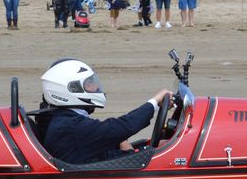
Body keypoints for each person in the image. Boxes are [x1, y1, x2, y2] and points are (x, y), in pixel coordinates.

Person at [38, 59, 170, 165]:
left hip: (91, 163)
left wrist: (148, 146)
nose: (95, 87)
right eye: (89, 84)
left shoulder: (63, 118)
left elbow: (113, 131)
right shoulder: (70, 126)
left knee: (160, 146)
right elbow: (124, 127)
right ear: (71, 89)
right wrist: (155, 102)